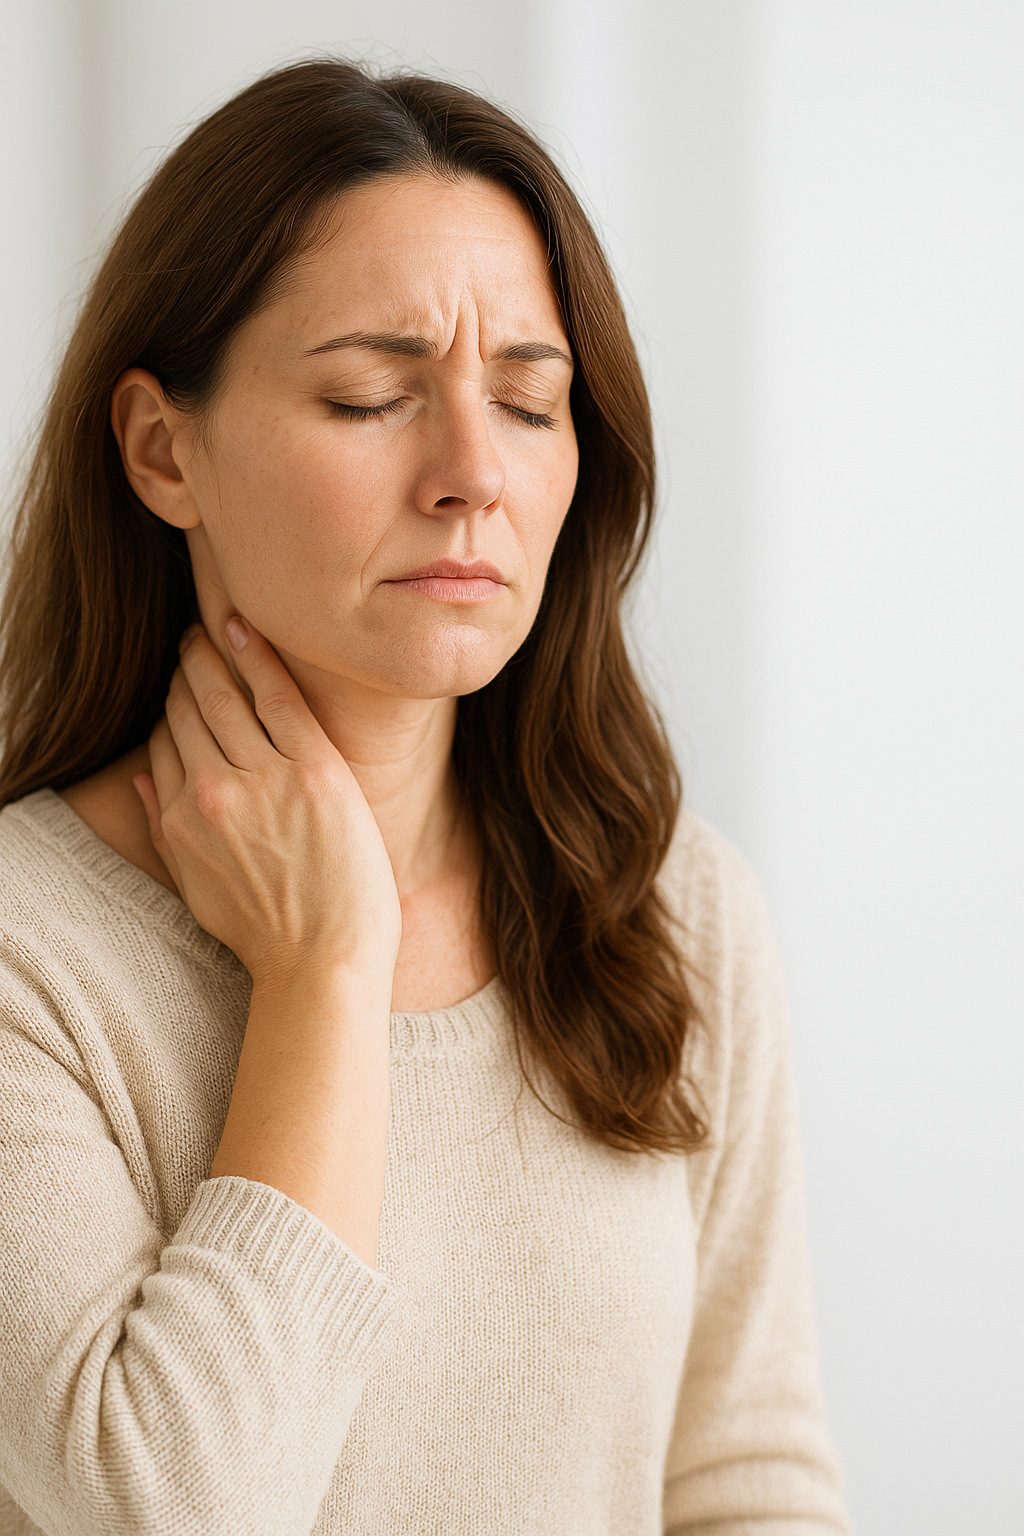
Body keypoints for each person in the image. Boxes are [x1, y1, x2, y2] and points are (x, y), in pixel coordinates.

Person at [0, 58, 850, 1536]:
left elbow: (745, 1482)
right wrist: (327, 972)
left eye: (529, 404)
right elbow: (169, 1512)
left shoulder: (671, 912)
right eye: (372, 394)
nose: (473, 473)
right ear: (160, 447)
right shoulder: (31, 956)